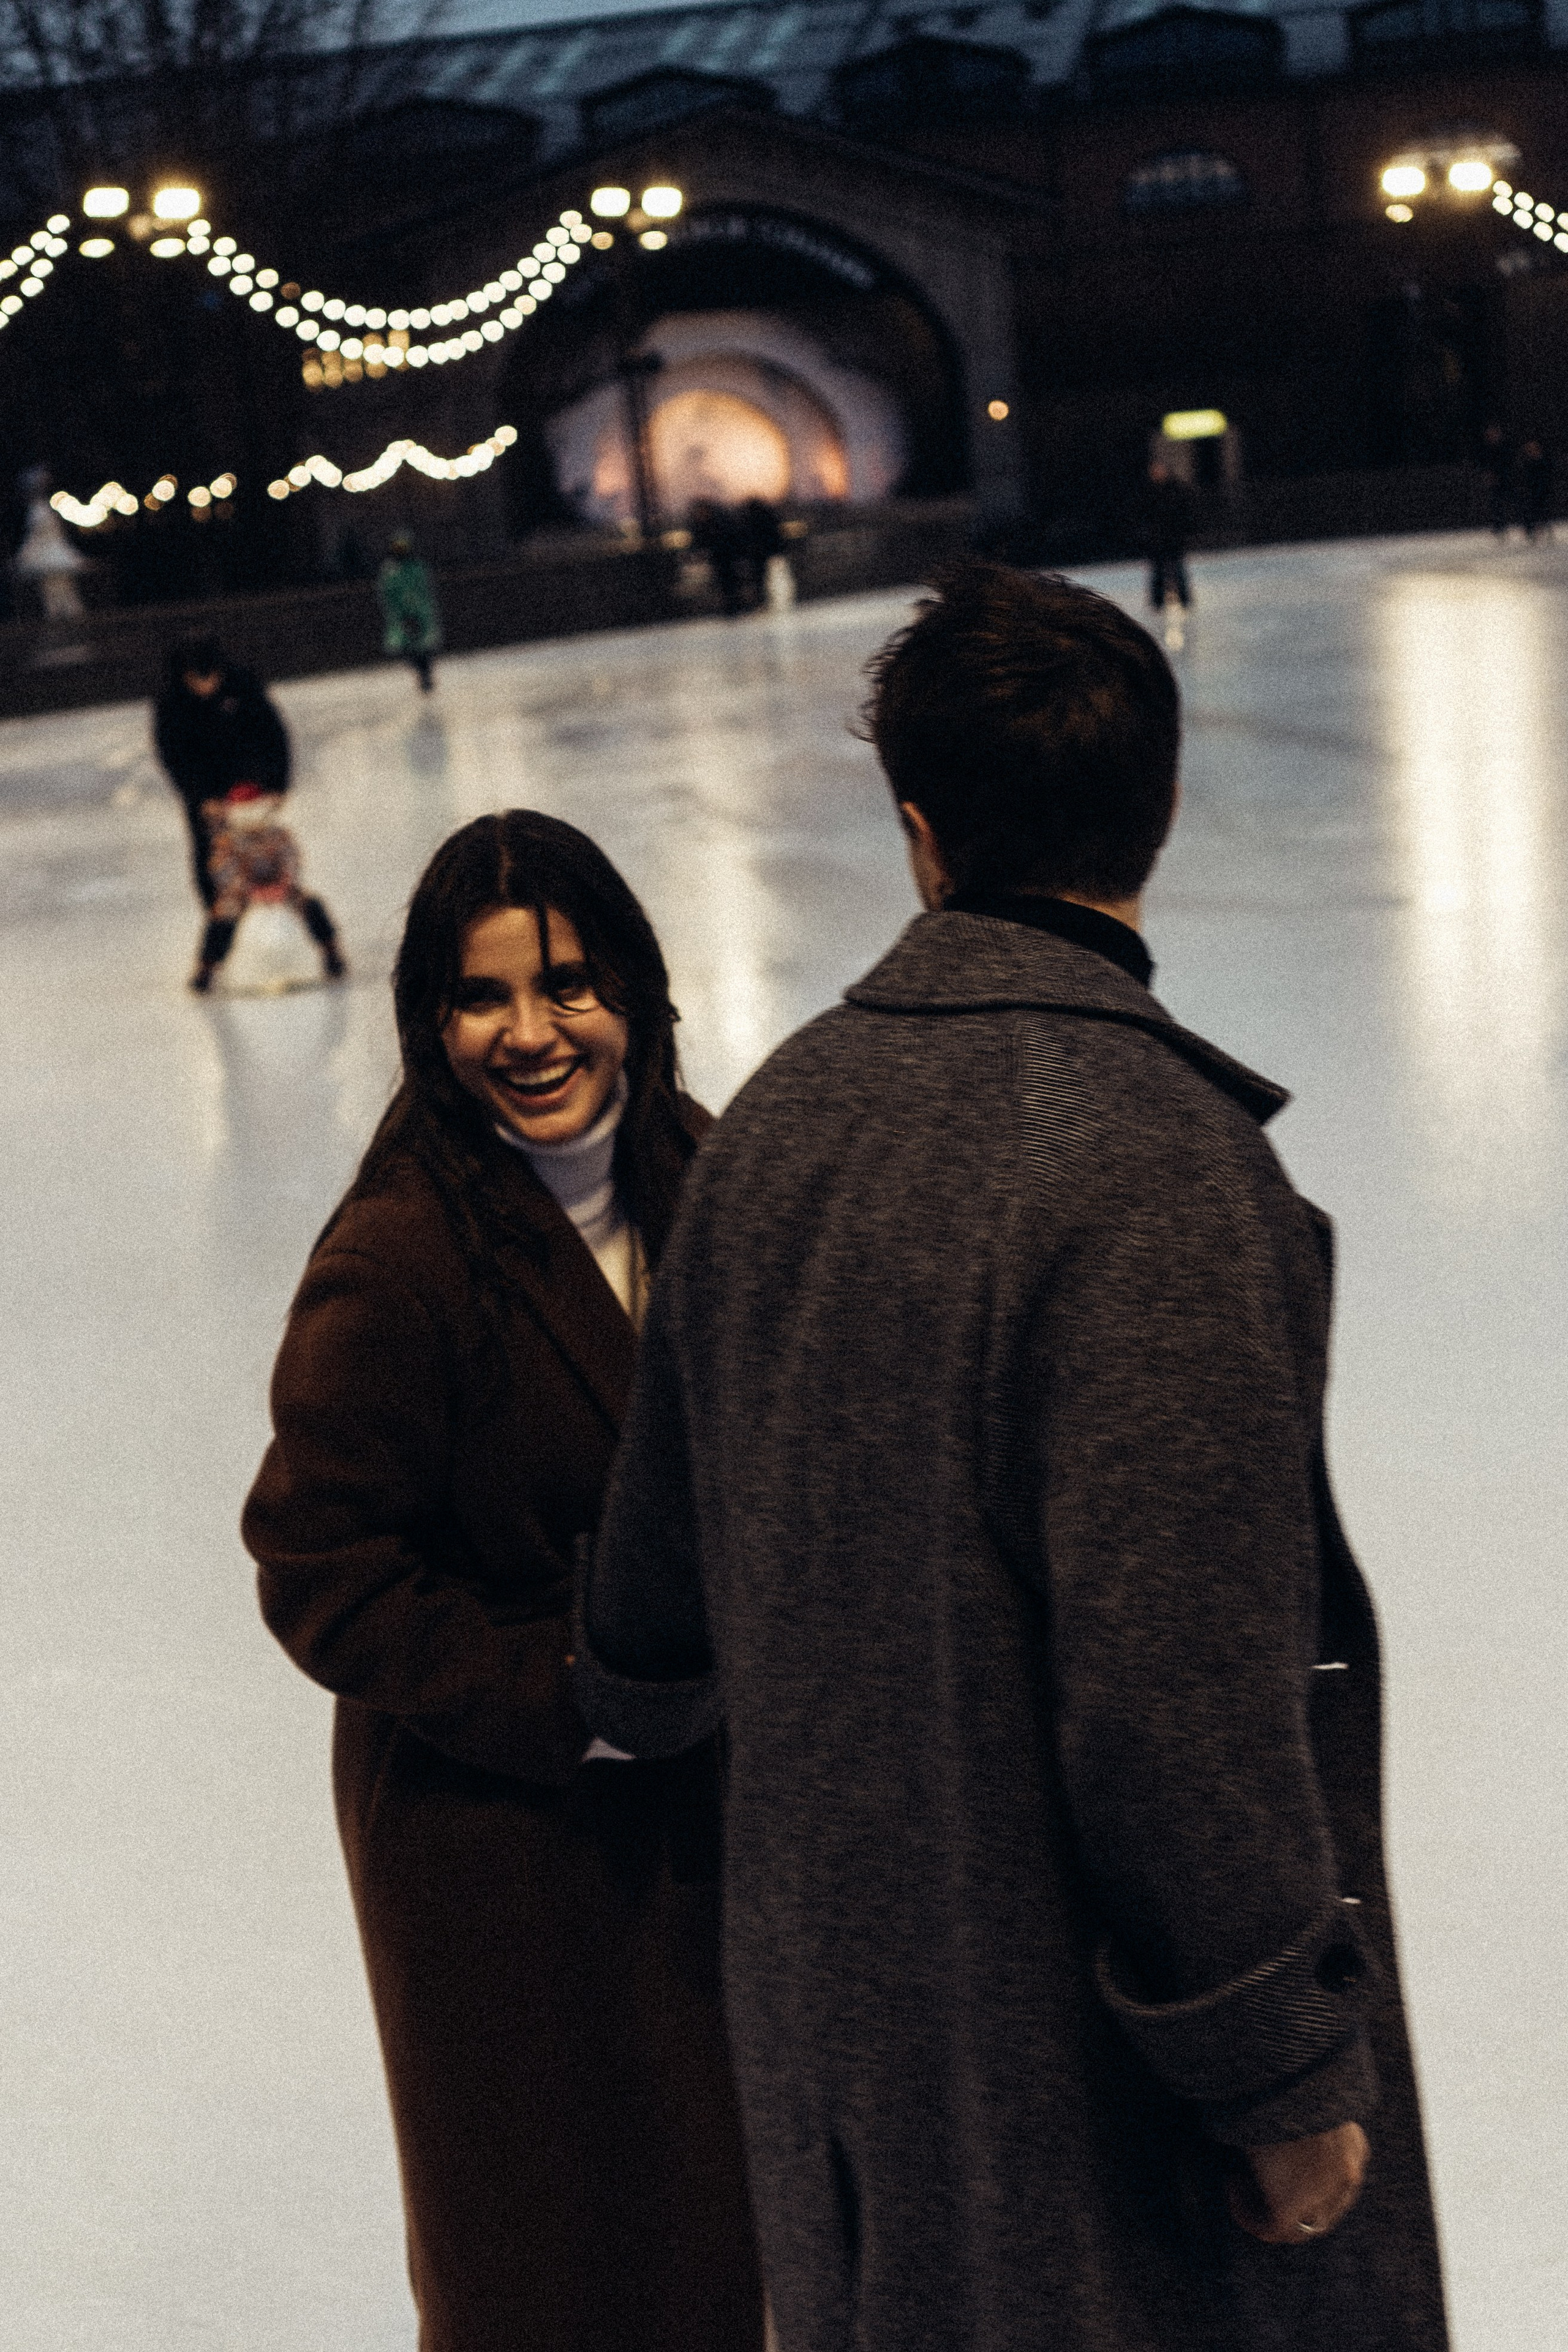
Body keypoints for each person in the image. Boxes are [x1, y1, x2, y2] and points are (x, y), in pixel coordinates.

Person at [576, 564, 1449, 2352]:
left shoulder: (763, 1139)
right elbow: (1172, 1697)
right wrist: (1279, 2070)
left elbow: (647, 1612)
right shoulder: (1163, 1170)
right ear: (1163, 800)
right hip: (1078, 2109)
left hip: (844, 2054)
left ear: (918, 833)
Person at [242, 811, 763, 2352]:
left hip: (697, 1821)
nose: (531, 1033)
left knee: (722, 2240)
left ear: (635, 993)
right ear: (432, 1018)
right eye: (482, 998)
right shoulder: (402, 1253)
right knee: (547, 2258)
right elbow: (315, 1559)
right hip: (502, 1857)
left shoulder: (696, 1165)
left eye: (569, 983)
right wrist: (562, 1696)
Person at [154, 638, 291, 911]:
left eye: (212, 678)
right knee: (210, 852)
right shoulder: (171, 702)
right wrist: (201, 797)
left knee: (260, 844)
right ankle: (216, 914)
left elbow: (273, 735)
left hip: (249, 782)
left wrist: (277, 784)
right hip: (204, 787)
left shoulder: (243, 684)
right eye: (197, 680)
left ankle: (272, 902)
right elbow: (174, 757)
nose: (207, 687)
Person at [189, 782, 345, 995]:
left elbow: (291, 860)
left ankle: (330, 951)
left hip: (281, 888)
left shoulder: (278, 835)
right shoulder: (227, 842)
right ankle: (207, 968)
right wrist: (248, 889)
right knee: (222, 916)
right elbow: (223, 872)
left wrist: (283, 883)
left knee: (311, 904)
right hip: (242, 894)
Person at [377, 531, 443, 691]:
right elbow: (388, 595)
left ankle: (426, 675)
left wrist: (419, 613)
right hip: (400, 616)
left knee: (424, 646)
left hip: (420, 613)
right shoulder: (390, 570)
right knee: (404, 648)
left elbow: (424, 590)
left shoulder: (417, 567)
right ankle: (422, 673)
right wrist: (401, 615)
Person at [1145, 457, 1195, 617]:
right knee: (1157, 573)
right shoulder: (1149, 493)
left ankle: (1185, 601)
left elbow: (1185, 514)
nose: (1157, 473)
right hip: (1156, 541)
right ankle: (1157, 604)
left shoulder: (1176, 490)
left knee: (1179, 571)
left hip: (1174, 539)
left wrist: (1183, 533)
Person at [1481, 423, 1514, 537]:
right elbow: (1485, 465)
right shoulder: (1486, 449)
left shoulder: (1505, 447)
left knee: (1515, 501)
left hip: (1507, 478)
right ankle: (1499, 526)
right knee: (1495, 504)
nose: (1491, 435)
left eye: (1493, 433)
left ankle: (1528, 525)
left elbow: (1508, 463)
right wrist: (1489, 476)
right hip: (1494, 480)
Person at [1518, 439, 1553, 540]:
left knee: (1543, 509)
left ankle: (1544, 529)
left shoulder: (1544, 461)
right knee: (1529, 510)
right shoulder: (1524, 463)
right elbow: (1522, 478)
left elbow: (1548, 476)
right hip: (1529, 491)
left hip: (1542, 490)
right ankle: (1530, 531)